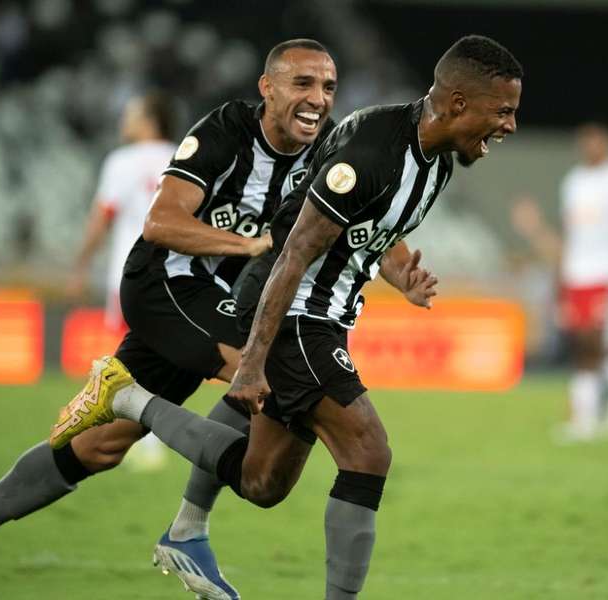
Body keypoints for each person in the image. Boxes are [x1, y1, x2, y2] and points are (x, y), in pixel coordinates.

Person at [46, 34, 523, 599]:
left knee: (262, 481)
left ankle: (129, 401)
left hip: (328, 317)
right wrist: (252, 360)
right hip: (295, 313)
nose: (509, 125)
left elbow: (369, 237)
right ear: (460, 104)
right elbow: (294, 252)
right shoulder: (373, 149)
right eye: (504, 111)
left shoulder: (438, 163)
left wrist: (403, 276)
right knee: (368, 452)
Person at [0, 38, 339, 600]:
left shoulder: (325, 150)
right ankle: (188, 530)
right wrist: (245, 244)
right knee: (267, 369)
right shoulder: (225, 133)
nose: (318, 99)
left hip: (210, 300)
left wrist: (401, 266)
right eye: (303, 84)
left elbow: (359, 204)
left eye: (328, 87)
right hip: (164, 285)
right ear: (268, 88)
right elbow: (161, 223)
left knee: (99, 446)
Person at [511, 123, 608, 441]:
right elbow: (571, 237)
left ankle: (604, 412)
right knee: (585, 346)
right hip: (579, 274)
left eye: (596, 142)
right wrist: (562, 280)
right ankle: (598, 412)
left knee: (601, 345)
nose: (590, 147)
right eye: (585, 142)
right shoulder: (574, 181)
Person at [66, 91, 177, 471]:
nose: (123, 120)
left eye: (130, 113)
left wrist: (80, 265)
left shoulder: (121, 161)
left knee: (132, 359)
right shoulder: (185, 155)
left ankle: (142, 441)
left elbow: (102, 218)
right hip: (177, 275)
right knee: (164, 358)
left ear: (149, 119)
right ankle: (155, 435)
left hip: (131, 276)